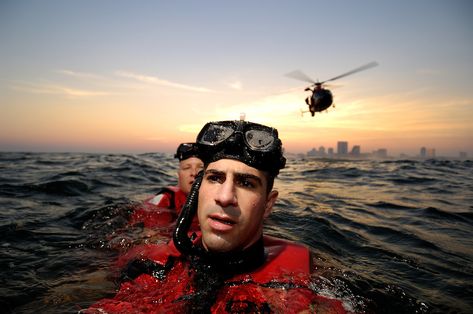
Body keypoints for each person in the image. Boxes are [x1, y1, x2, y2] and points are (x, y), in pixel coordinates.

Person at [85, 120, 348, 313]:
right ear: (198, 190)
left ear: (268, 205)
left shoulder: (306, 272)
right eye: (215, 178)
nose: (224, 196)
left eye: (246, 183)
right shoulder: (149, 264)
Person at [128, 143, 204, 228]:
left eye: (201, 168)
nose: (194, 173)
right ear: (178, 175)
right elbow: (151, 237)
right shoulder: (165, 201)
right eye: (186, 168)